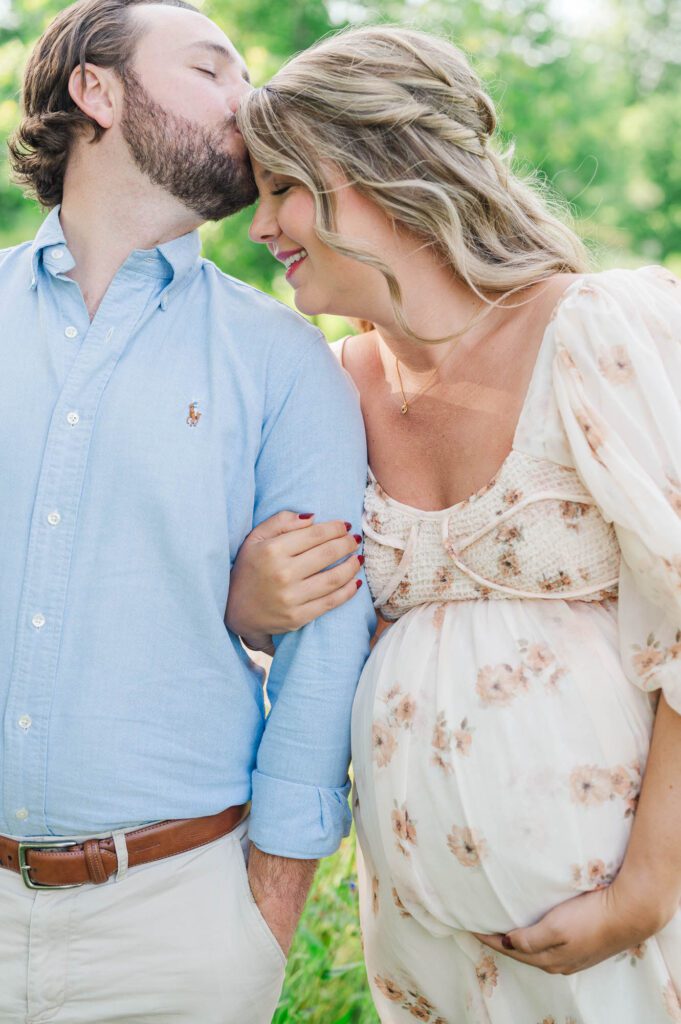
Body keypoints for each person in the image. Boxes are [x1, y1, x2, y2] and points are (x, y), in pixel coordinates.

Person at [226, 25, 681, 1023]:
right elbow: (307, 638)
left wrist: (647, 889)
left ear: (388, 173)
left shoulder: (593, 328)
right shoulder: (326, 387)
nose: (260, 224)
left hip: (633, 936)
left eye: (282, 187)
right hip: (430, 952)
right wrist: (252, 608)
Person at [0, 1, 374, 1021]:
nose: (247, 102)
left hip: (176, 928)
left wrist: (265, 913)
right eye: (214, 70)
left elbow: (327, 641)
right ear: (98, 92)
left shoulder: (287, 359)